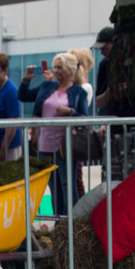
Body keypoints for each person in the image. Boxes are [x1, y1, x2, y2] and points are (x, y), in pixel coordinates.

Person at [18, 52, 89, 214]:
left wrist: (70, 111)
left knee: (68, 186)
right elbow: (23, 96)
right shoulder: (47, 86)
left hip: (66, 147)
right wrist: (26, 79)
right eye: (55, 67)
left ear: (70, 70)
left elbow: (85, 119)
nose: (56, 71)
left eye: (60, 67)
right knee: (54, 187)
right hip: (44, 146)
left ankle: (73, 222)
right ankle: (59, 222)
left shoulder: (79, 92)